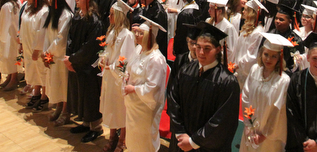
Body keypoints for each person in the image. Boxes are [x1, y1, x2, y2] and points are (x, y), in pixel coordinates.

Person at [168, 22, 240, 151]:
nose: (201, 52)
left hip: (206, 147)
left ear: (218, 49)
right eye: (198, 46)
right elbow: (173, 101)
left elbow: (223, 121)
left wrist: (193, 142)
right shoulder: (185, 71)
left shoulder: (227, 81)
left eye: (207, 48)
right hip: (181, 142)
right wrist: (179, 133)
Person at [66, 0, 105, 143]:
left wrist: (73, 59)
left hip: (88, 66)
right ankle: (85, 122)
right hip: (76, 63)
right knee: (79, 94)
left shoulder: (95, 21)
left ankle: (96, 127)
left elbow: (90, 47)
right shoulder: (77, 16)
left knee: (90, 96)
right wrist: (69, 57)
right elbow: (69, 38)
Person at [240, 33, 292, 152]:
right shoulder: (254, 70)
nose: (268, 59)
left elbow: (277, 110)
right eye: (266, 54)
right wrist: (248, 124)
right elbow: (246, 97)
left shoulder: (283, 80)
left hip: (269, 135)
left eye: (274, 56)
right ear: (261, 54)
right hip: (251, 129)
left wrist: (264, 134)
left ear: (280, 57)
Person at [123, 16, 168, 152]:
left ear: (150, 36)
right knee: (132, 139)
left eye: (141, 33)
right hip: (133, 104)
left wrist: (133, 88)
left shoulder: (156, 59)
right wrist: (126, 78)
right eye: (137, 32)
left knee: (144, 141)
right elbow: (129, 68)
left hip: (146, 108)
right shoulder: (138, 50)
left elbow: (153, 88)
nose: (136, 35)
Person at [99, 0, 136, 151]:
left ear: (120, 16)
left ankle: (122, 139)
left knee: (120, 109)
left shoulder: (127, 35)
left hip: (118, 78)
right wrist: (103, 59)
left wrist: (112, 66)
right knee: (111, 108)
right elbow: (108, 51)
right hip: (109, 76)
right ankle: (112, 135)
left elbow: (125, 58)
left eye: (112, 14)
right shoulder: (112, 31)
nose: (109, 16)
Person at [44, 0, 73, 124]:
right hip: (53, 55)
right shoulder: (53, 14)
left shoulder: (66, 15)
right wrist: (46, 53)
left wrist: (49, 52)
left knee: (63, 84)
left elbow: (61, 38)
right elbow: (47, 34)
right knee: (55, 83)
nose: (48, 0)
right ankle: (58, 107)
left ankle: (65, 112)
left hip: (61, 56)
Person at [20, 0, 50, 110]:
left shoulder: (44, 12)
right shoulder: (29, 8)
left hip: (38, 48)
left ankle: (44, 97)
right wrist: (21, 42)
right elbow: (23, 25)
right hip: (28, 45)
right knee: (32, 71)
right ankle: (36, 93)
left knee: (41, 72)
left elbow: (42, 32)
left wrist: (37, 49)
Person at [232, 0, 266, 88]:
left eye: (246, 10)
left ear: (252, 13)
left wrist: (238, 64)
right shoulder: (246, 27)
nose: (243, 12)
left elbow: (252, 56)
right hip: (239, 69)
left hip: (246, 72)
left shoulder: (258, 32)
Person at [0, 0, 21, 91]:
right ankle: (10, 77)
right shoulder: (18, 2)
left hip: (8, 35)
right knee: (12, 57)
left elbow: (4, 24)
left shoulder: (6, 6)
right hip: (16, 34)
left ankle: (13, 79)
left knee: (10, 57)